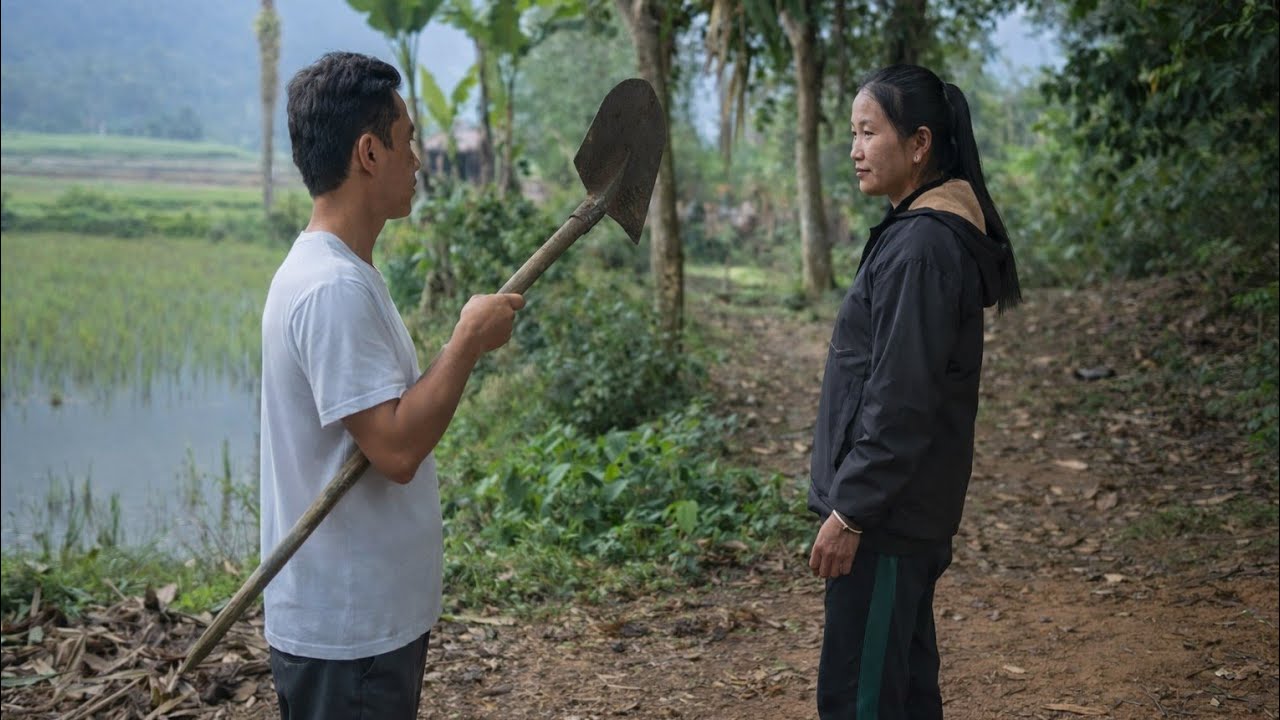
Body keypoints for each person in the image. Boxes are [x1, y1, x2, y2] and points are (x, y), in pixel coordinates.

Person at [258, 51, 524, 719]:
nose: (418, 162)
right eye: (408, 142)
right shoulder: (330, 288)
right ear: (369, 152)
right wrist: (465, 340)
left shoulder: (342, 271)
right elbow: (397, 449)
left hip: (365, 622)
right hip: (347, 632)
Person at [806, 64, 1022, 718]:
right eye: (852, 133)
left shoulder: (923, 246)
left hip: (887, 526)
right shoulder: (919, 233)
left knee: (861, 702)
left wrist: (853, 512)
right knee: (902, 695)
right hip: (899, 519)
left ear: (919, 144)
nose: (854, 149)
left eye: (869, 132)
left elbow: (901, 401)